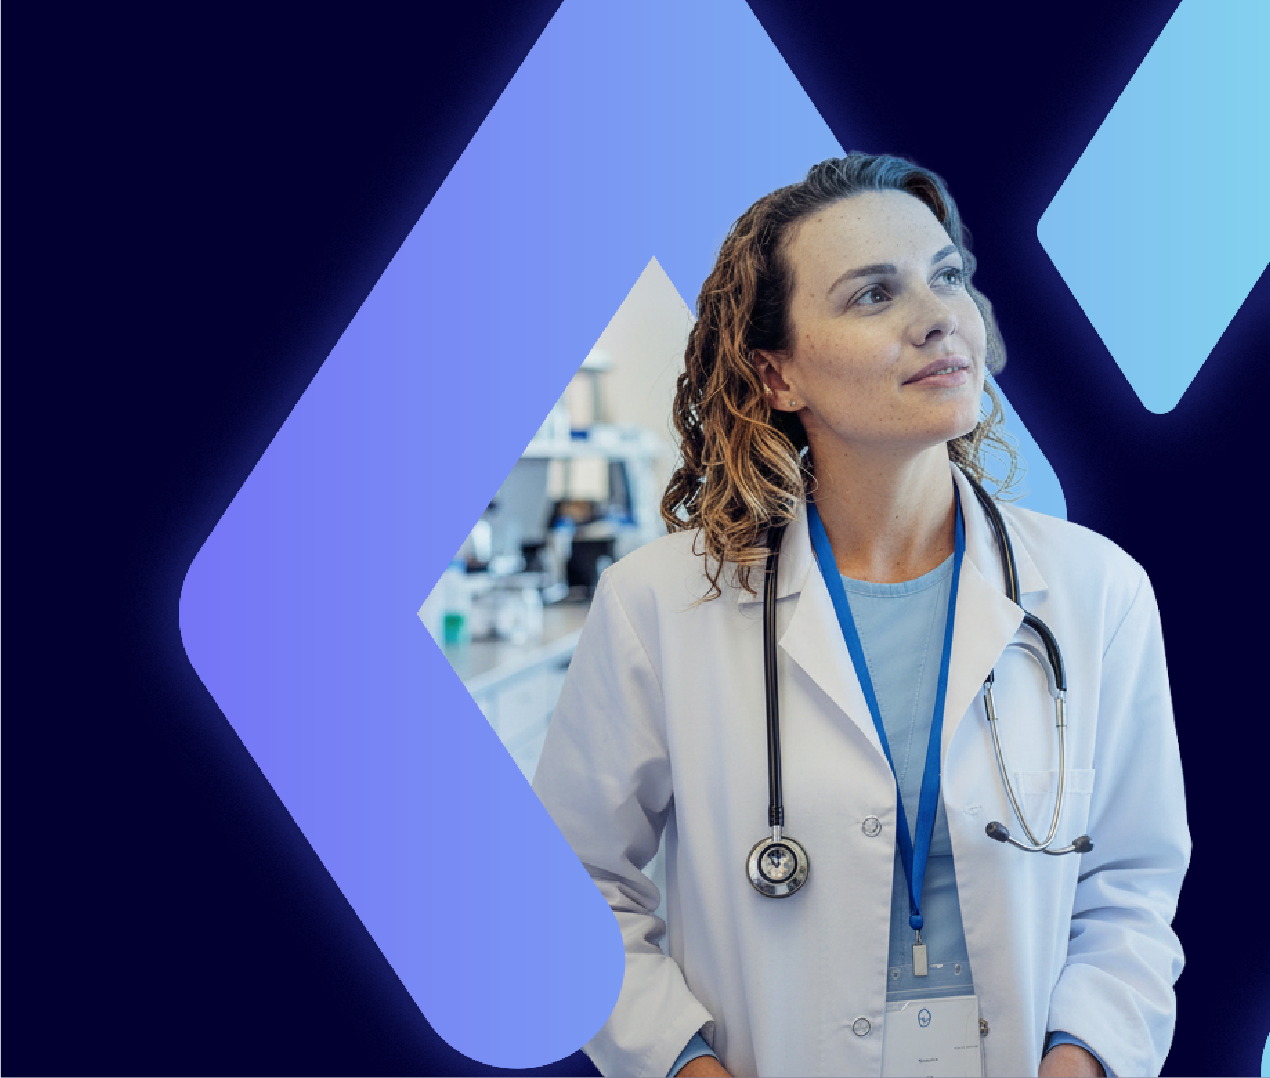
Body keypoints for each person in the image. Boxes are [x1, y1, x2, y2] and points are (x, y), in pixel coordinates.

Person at [532, 154, 1188, 1078]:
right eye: (874, 295)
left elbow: (1130, 883)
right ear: (778, 374)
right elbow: (572, 888)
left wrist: (1082, 1061)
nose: (938, 318)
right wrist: (686, 1067)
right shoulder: (661, 605)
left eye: (947, 276)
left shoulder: (1096, 590)